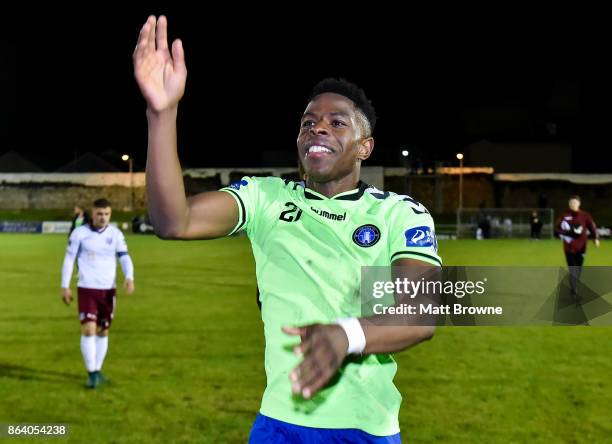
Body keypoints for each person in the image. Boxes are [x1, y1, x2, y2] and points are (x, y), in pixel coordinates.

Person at [134, 15, 441, 442]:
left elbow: (420, 315)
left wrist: (346, 335)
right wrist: (161, 113)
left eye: (337, 122)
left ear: (364, 147)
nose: (317, 128)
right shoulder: (266, 198)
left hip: (364, 429)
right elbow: (173, 221)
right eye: (308, 121)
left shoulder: (399, 214)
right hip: (278, 425)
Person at [61, 198, 135, 388]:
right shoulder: (80, 233)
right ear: (92, 214)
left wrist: (129, 277)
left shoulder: (116, 234)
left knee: (103, 331)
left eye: (106, 214)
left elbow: (124, 257)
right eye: (99, 214)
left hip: (108, 290)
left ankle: (98, 370)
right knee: (88, 329)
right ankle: (92, 373)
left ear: (110, 214)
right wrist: (65, 285)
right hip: (86, 288)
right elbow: (69, 259)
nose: (103, 218)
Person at [555, 195, 600, 304]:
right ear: (568, 204)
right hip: (569, 248)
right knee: (573, 269)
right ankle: (574, 292)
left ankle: (573, 288)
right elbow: (556, 229)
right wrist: (563, 233)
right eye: (571, 203)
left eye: (575, 203)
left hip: (582, 247)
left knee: (578, 269)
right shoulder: (564, 216)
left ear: (579, 204)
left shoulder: (585, 215)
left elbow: (592, 227)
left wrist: (596, 238)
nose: (573, 205)